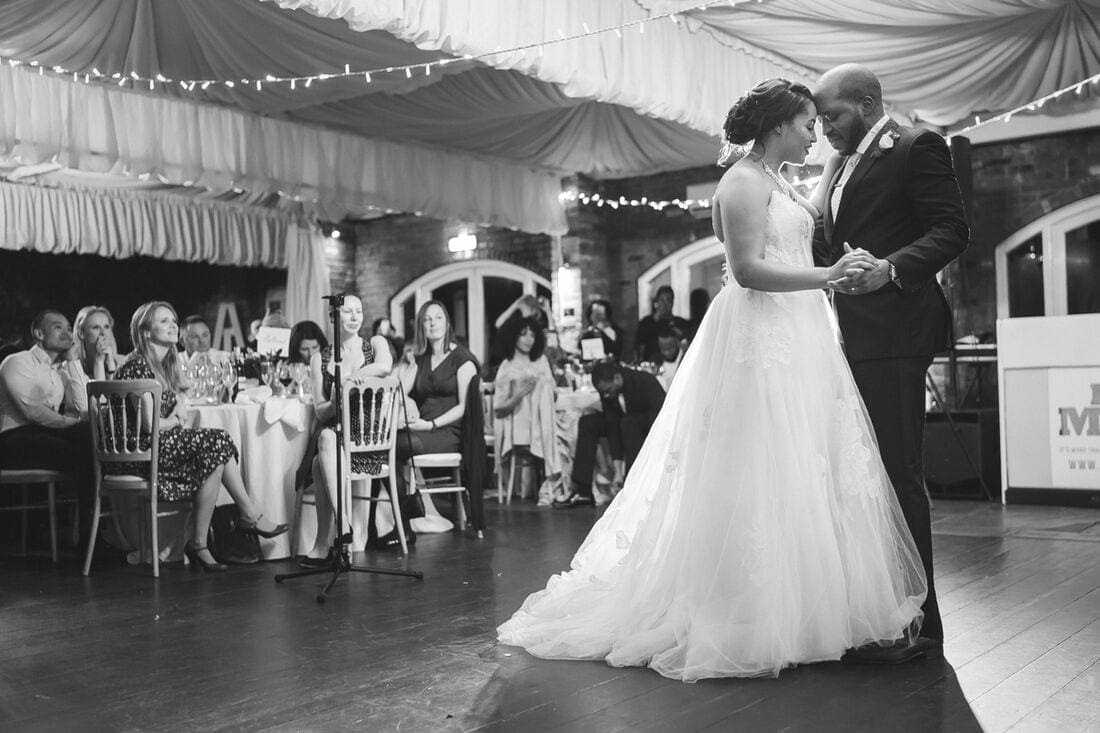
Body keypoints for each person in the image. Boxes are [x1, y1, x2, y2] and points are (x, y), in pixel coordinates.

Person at [498, 78, 927, 681]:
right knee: (759, 462)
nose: (814, 134)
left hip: (797, 333)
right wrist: (828, 276)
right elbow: (748, 270)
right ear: (778, 126)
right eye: (807, 124)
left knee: (804, 463)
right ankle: (750, 608)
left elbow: (788, 240)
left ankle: (809, 604)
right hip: (762, 335)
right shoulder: (743, 181)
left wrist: (832, 243)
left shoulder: (775, 178)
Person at [812, 63, 969, 662]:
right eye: (819, 119)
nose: (824, 128)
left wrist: (892, 268)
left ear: (869, 103)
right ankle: (879, 607)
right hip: (845, 335)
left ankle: (923, 619)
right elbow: (830, 244)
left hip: (895, 331)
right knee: (863, 474)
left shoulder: (915, 146)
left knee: (898, 472)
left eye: (833, 116)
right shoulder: (837, 164)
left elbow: (953, 229)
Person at [109, 302, 288, 572]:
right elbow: (150, 426)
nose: (173, 325)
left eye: (173, 320)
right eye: (164, 321)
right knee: (218, 442)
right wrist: (177, 418)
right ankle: (248, 514)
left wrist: (179, 404)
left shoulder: (162, 363)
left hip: (156, 447)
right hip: (140, 454)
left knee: (215, 453)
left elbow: (178, 399)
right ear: (145, 332)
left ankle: (201, 543)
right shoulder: (137, 366)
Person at [299, 295, 394, 565]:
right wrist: (335, 398)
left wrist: (349, 381)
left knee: (323, 450)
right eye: (347, 311)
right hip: (337, 436)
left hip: (368, 437)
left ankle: (329, 538)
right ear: (333, 317)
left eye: (358, 311)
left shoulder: (374, 344)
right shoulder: (321, 358)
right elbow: (320, 411)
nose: (354, 316)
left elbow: (385, 367)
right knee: (323, 449)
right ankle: (337, 533)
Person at [0, 310, 95, 545]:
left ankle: (90, 537)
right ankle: (88, 539)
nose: (67, 332)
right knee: (87, 446)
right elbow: (33, 412)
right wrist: (74, 424)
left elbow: (85, 406)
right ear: (38, 333)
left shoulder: (59, 372)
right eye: (57, 327)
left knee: (91, 441)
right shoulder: (17, 361)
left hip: (44, 435)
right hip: (13, 439)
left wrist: (73, 362)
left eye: (68, 327)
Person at [396, 300, 480, 534]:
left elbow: (463, 407)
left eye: (438, 317)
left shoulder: (462, 358)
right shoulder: (421, 359)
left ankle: (414, 515)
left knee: (399, 445)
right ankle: (412, 515)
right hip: (421, 428)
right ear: (421, 326)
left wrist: (430, 424)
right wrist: (408, 363)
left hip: (448, 431)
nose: (433, 323)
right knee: (392, 444)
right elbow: (399, 390)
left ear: (447, 322)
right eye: (427, 319)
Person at [553, 361, 665, 509]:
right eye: (602, 392)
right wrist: (617, 469)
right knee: (588, 422)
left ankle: (632, 484)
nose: (605, 395)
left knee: (629, 423)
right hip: (623, 422)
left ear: (617, 379)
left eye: (607, 390)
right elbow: (612, 424)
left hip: (649, 423)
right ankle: (584, 490)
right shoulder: (607, 392)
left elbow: (662, 414)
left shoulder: (645, 381)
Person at [492, 317, 560, 502]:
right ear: (513, 337)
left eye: (532, 335)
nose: (529, 339)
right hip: (520, 428)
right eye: (523, 335)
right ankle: (553, 483)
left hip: (543, 420)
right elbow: (498, 409)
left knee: (570, 426)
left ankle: (558, 486)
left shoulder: (541, 361)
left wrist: (540, 391)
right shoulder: (507, 367)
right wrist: (520, 394)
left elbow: (553, 395)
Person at [632, 286, 690, 363]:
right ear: (657, 302)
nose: (665, 304)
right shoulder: (647, 322)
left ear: (672, 302)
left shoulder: (680, 323)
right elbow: (638, 344)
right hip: (651, 364)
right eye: (662, 300)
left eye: (668, 300)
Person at [72, 305, 120, 380]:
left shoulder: (123, 362)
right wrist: (99, 361)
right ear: (81, 333)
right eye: (96, 327)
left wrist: (110, 365)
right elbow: (100, 391)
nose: (103, 333)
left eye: (106, 327)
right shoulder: (73, 367)